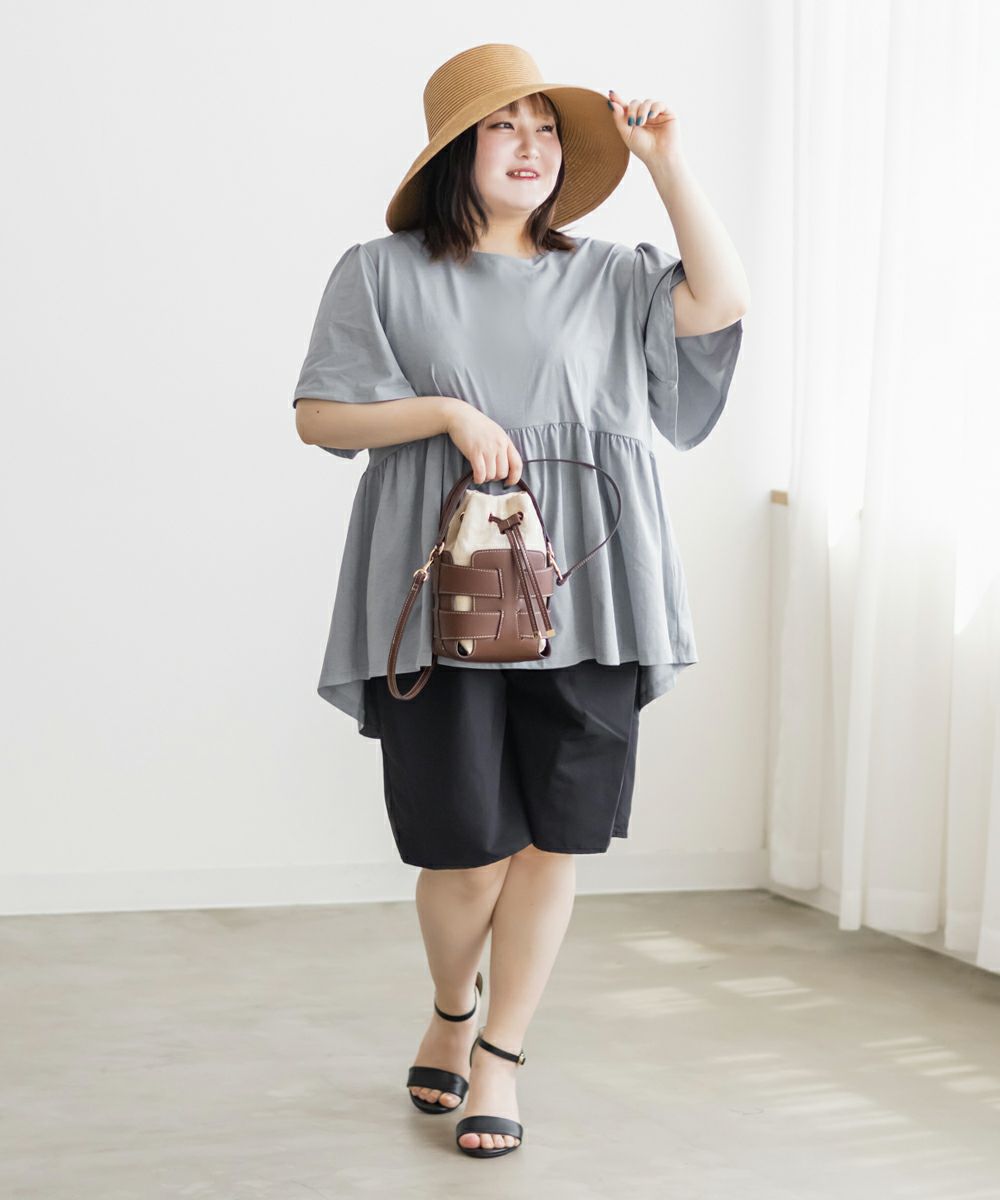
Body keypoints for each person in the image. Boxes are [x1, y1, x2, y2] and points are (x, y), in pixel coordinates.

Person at [291, 43, 749, 1159]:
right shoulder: (380, 272)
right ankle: (452, 1010)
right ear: (457, 152)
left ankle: (501, 1052)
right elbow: (321, 415)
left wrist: (666, 164)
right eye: (506, 127)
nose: (532, 148)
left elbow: (722, 302)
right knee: (462, 846)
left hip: (588, 588)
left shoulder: (614, 274)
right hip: (443, 594)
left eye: (547, 130)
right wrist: (444, 413)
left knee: (554, 840)